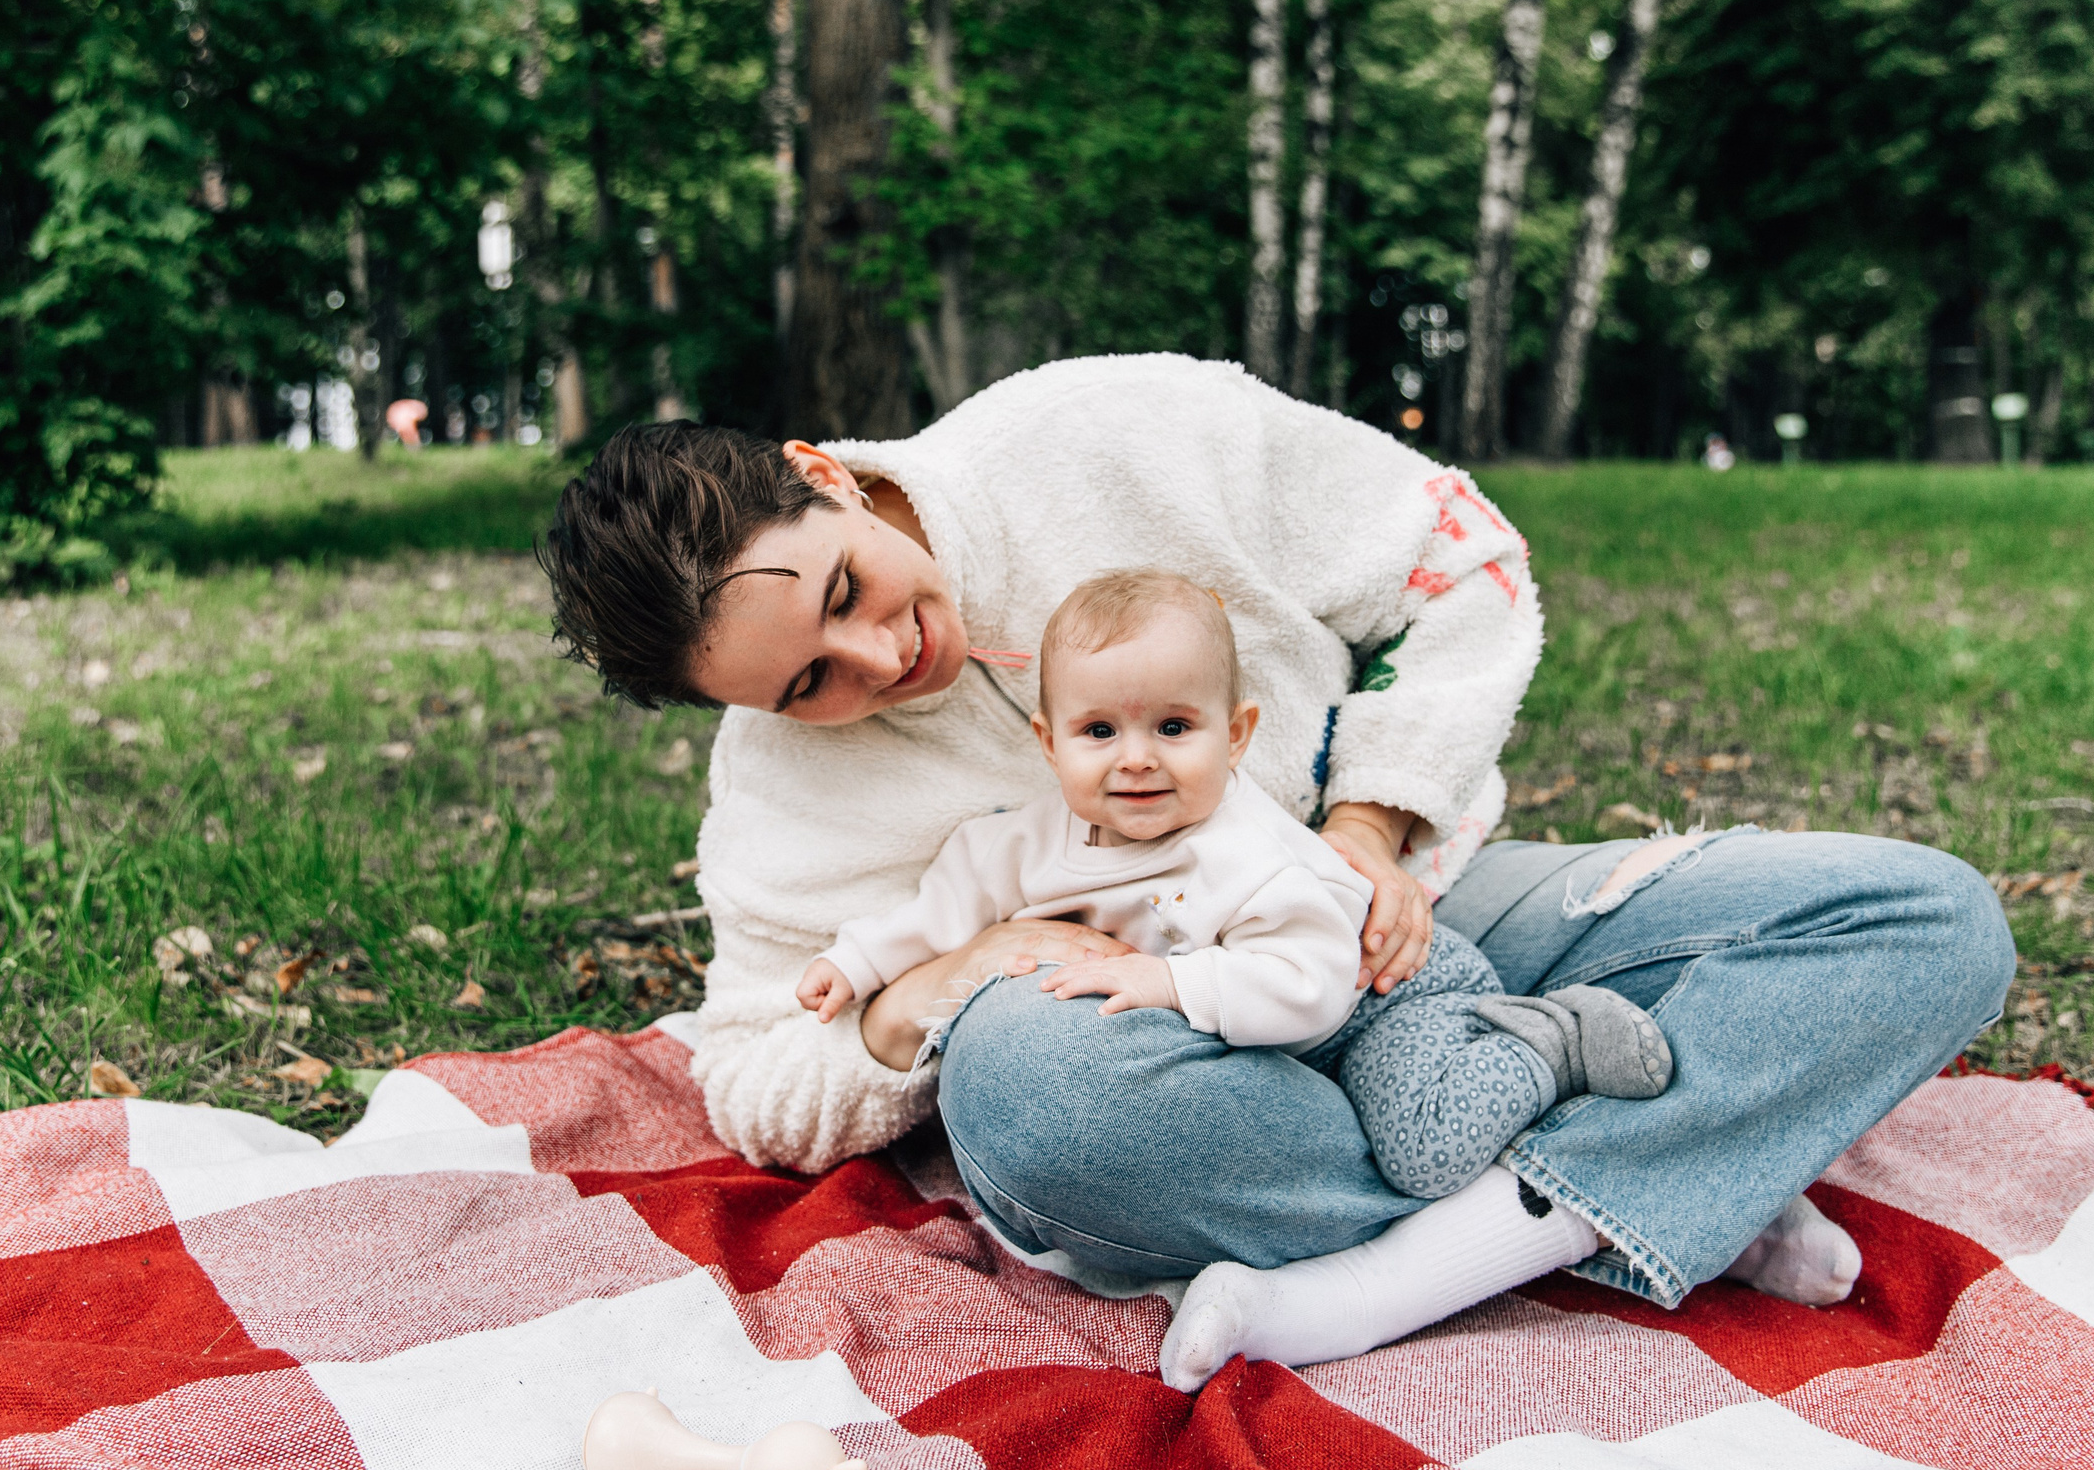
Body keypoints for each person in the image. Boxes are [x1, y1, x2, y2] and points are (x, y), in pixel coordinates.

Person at [538, 354, 2013, 1388]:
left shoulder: (1109, 426)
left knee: (1923, 918)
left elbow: (1459, 557)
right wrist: (936, 984)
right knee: (1032, 1094)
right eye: (806, 684)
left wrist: (1374, 824)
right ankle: (1652, 1173)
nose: (879, 656)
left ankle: (1412, 1262)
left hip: (1425, 935)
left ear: (820, 475)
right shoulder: (777, 793)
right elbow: (755, 1075)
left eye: (848, 591)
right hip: (1175, 1057)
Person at [799, 566, 1674, 1223]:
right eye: (1099, 730)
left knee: (1424, 1146)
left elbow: (1309, 983)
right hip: (1277, 1044)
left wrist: (1170, 982)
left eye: (1174, 727)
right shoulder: (1015, 844)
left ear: (1237, 734)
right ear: (1049, 742)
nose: (1137, 758)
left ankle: (1545, 1042)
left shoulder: (1247, 850)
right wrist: (857, 962)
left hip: (1377, 1001)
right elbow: (939, 915)